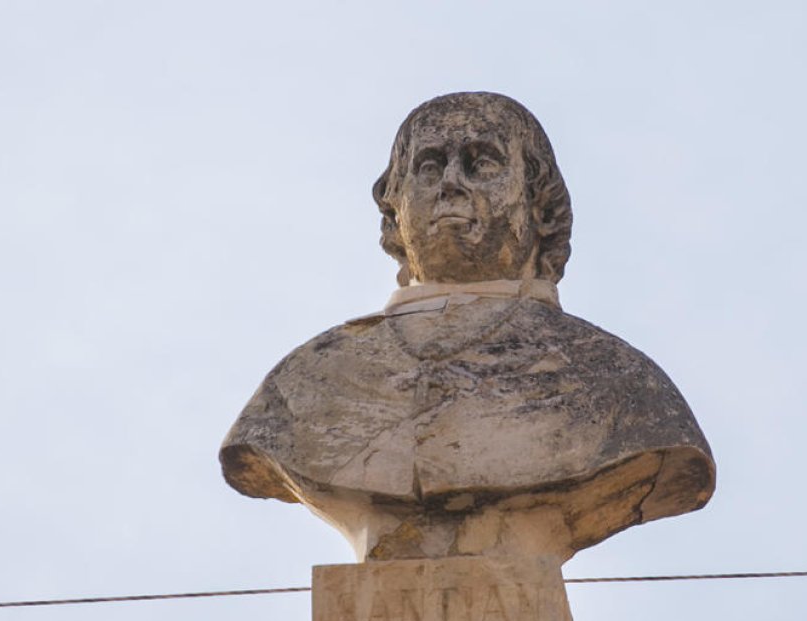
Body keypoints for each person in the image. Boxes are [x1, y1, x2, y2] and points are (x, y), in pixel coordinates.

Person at [221, 92, 714, 562]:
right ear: (395, 211)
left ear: (537, 205)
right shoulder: (307, 382)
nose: (452, 183)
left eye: (482, 164)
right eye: (430, 166)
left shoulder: (617, 384)